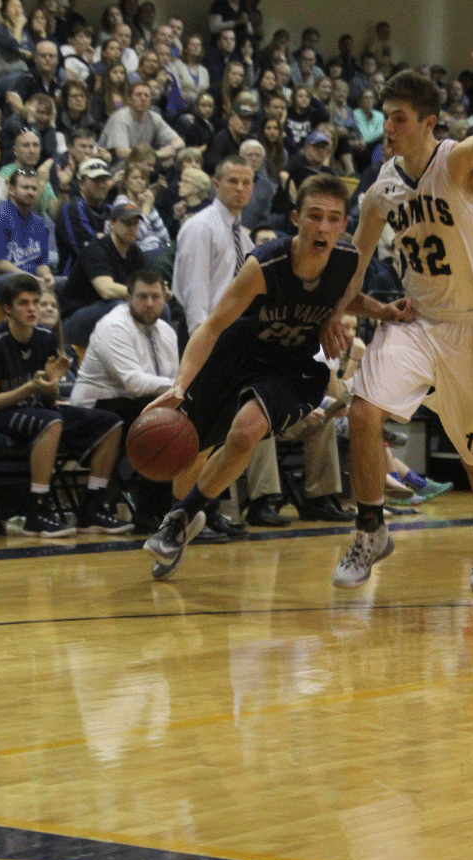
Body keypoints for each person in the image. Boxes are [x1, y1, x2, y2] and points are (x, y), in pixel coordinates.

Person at [325, 34, 473, 591]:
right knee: (363, 413)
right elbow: (355, 269)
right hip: (415, 323)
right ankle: (370, 528)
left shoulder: (457, 162)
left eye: (400, 118)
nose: (388, 128)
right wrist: (334, 314)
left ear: (429, 122)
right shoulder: (380, 190)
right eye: (385, 117)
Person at [142, 174, 406, 579]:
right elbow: (212, 326)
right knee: (191, 448)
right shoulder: (265, 264)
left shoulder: (348, 260)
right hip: (237, 355)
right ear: (297, 218)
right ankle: (182, 519)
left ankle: (180, 518)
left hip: (293, 368)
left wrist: (382, 311)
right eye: (314, 216)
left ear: (342, 226)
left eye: (334, 218)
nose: (323, 226)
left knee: (246, 431)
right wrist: (180, 383)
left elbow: (345, 297)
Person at [0, 273, 133, 536]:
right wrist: (29, 388)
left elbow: (46, 399)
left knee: (110, 422)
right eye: (24, 303)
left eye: (36, 302)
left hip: (37, 409)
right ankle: (37, 511)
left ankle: (92, 507)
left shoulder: (45, 338)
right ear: (7, 309)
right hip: (4, 414)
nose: (33, 308)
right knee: (51, 422)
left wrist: (51, 384)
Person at [70, 267, 179, 531]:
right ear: (128, 298)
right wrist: (180, 386)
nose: (150, 303)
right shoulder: (113, 326)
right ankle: (150, 514)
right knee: (160, 421)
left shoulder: (166, 331)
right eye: (142, 296)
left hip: (131, 404)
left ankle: (182, 509)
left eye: (155, 296)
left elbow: (168, 381)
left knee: (182, 414)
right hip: (94, 407)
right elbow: (134, 383)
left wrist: (181, 390)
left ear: (165, 297)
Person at [172, 155, 254, 337]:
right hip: (204, 333)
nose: (240, 188)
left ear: (252, 188)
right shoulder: (201, 226)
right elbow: (194, 288)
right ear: (216, 185)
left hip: (232, 332)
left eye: (246, 183)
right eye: (233, 181)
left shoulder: (243, 238)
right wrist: (201, 338)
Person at [60, 201, 146, 346]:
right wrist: (143, 294)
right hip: (75, 317)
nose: (132, 228)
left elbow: (144, 283)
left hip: (105, 314)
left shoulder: (135, 252)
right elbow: (105, 289)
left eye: (135, 223)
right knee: (119, 307)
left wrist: (157, 294)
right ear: (112, 224)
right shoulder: (96, 250)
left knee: (161, 308)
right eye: (127, 223)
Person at [0, 167, 56, 302]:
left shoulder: (39, 222)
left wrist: (46, 276)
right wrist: (31, 279)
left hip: (30, 278)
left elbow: (41, 262)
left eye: (34, 189)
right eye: (25, 188)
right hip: (3, 279)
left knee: (62, 283)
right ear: (11, 190)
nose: (30, 192)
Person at [99, 81, 185, 163]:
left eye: (147, 96)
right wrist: (157, 154)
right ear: (129, 99)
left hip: (141, 163)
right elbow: (121, 153)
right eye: (138, 95)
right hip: (113, 164)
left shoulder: (154, 117)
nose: (143, 99)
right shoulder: (120, 118)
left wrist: (170, 150)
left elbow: (179, 142)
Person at [55, 157, 112, 276]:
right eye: (95, 180)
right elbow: (86, 249)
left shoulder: (110, 209)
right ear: (81, 183)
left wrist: (103, 239)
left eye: (104, 180)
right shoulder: (74, 207)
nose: (101, 185)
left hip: (105, 272)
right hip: (75, 277)